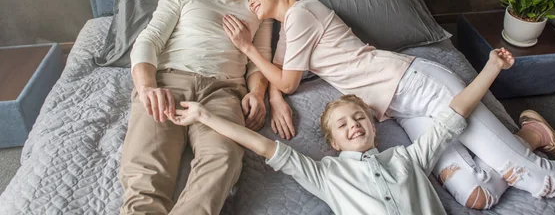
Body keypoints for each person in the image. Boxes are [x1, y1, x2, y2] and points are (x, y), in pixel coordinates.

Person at [220, 0, 555, 209]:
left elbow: (286, 77)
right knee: (473, 193)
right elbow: (282, 79)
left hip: (419, 85)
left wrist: (247, 47)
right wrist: (272, 95)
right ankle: (532, 133)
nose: (250, 2)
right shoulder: (290, 27)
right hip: (401, 106)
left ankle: (534, 154)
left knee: (530, 175)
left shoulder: (302, 13)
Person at [166, 49, 512, 215]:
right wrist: (204, 117)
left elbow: (453, 115)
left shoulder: (407, 157)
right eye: (343, 124)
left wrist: (492, 67)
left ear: (373, 126)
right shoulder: (326, 174)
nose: (354, 125)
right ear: (332, 142)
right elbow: (262, 145)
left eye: (359, 118)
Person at [119, 0, 294, 215]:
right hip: (168, 81)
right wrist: (147, 87)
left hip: (223, 92)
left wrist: (256, 94)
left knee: (223, 159)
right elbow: (149, 40)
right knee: (145, 170)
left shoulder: (257, 8)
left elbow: (258, 61)